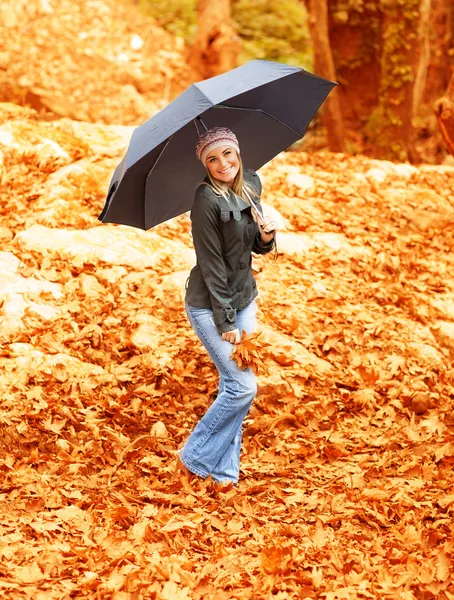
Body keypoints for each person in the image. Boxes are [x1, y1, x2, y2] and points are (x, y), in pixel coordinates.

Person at [176, 126, 277, 485]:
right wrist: (226, 319)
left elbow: (254, 249)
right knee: (242, 387)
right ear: (205, 164)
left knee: (233, 385)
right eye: (212, 159)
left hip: (245, 298)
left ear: (238, 153)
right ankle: (193, 456)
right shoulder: (205, 200)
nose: (223, 164)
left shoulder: (251, 184)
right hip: (211, 305)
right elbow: (212, 263)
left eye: (228, 154)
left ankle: (224, 476)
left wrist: (267, 235)